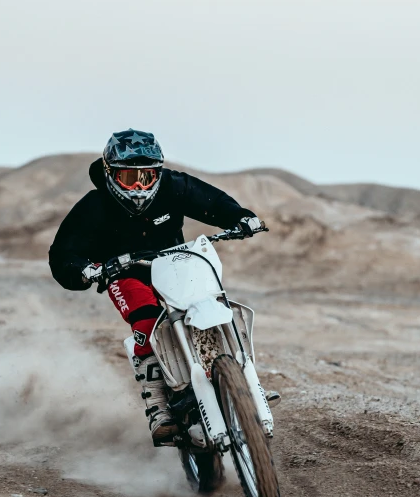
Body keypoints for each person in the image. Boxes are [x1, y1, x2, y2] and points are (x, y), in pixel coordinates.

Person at [49, 129, 263, 442]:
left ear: (158, 173)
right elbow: (63, 253)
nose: (138, 186)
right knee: (147, 321)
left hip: (176, 264)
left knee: (212, 302)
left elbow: (210, 201)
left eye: (146, 177)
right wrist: (83, 270)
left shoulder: (173, 186)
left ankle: (243, 381)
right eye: (128, 178)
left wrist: (240, 217)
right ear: (110, 174)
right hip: (125, 273)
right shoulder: (93, 206)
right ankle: (158, 404)